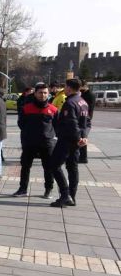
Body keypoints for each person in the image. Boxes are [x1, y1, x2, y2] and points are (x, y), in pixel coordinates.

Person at [50, 78, 91, 207]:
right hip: (77, 141)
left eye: (65, 87)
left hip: (68, 140)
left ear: (69, 88)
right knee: (72, 168)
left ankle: (65, 195)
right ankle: (72, 196)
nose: (64, 89)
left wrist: (78, 137)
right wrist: (84, 137)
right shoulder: (83, 102)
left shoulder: (71, 103)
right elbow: (87, 123)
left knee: (54, 165)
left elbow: (71, 123)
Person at [13, 82, 57, 199]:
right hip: (29, 143)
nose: (43, 95)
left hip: (47, 143)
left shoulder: (53, 109)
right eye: (40, 93)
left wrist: (50, 137)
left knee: (48, 168)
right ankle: (23, 189)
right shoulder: (26, 108)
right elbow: (21, 123)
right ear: (35, 93)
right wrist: (29, 134)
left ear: (48, 94)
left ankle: (48, 189)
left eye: (45, 93)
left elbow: (57, 126)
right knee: (25, 166)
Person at [78, 82, 95, 163]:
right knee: (82, 136)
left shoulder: (90, 95)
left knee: (83, 137)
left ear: (85, 86)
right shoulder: (84, 93)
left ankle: (83, 158)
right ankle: (82, 157)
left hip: (86, 117)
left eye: (81, 86)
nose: (80, 88)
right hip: (84, 117)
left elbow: (89, 107)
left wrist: (88, 117)